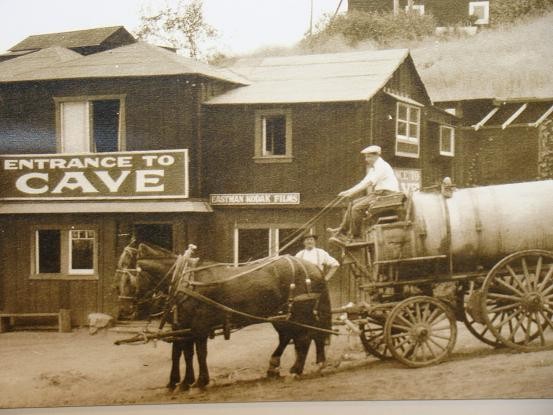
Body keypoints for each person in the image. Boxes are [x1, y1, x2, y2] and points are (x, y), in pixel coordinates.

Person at [328, 145, 400, 239]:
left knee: (356, 209)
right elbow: (363, 182)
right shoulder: (374, 168)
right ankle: (342, 230)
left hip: (387, 194)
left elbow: (368, 183)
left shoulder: (382, 166)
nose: (366, 159)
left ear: (376, 155)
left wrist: (351, 193)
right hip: (379, 193)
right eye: (366, 157)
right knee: (352, 204)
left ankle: (356, 236)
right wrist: (347, 191)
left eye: (369, 156)